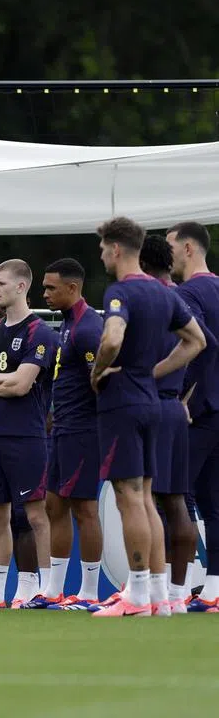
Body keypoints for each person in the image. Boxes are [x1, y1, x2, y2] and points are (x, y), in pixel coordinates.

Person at [90, 217, 205, 617]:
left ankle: (137, 596)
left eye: (104, 248)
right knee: (149, 499)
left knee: (130, 499)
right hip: (155, 404)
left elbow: (113, 337)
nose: (102, 256)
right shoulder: (166, 294)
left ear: (116, 249)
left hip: (123, 403)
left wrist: (98, 371)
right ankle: (158, 595)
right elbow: (198, 341)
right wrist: (156, 372)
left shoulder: (120, 291)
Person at [0, 260, 58, 610]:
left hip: (28, 436)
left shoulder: (40, 333)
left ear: (21, 287)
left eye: (1, 283)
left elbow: (22, 385)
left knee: (35, 514)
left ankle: (45, 590)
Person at [36, 258, 106, 611]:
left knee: (84, 508)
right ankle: (53, 591)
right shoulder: (66, 325)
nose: (44, 293)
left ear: (73, 288)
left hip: (83, 431)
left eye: (51, 288)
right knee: (54, 505)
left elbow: (102, 384)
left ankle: (90, 593)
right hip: (62, 429)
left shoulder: (90, 327)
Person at [140, 234, 201, 614]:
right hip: (175, 408)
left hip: (150, 406)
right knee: (176, 501)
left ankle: (151, 593)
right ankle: (177, 594)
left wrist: (153, 375)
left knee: (143, 500)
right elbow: (202, 345)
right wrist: (186, 395)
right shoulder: (179, 298)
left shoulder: (145, 299)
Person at [166, 221, 219, 611]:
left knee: (176, 495)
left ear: (187, 248)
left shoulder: (188, 292)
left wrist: (184, 395)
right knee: (212, 501)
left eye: (169, 245)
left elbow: (200, 344)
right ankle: (214, 588)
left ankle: (176, 588)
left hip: (200, 411)